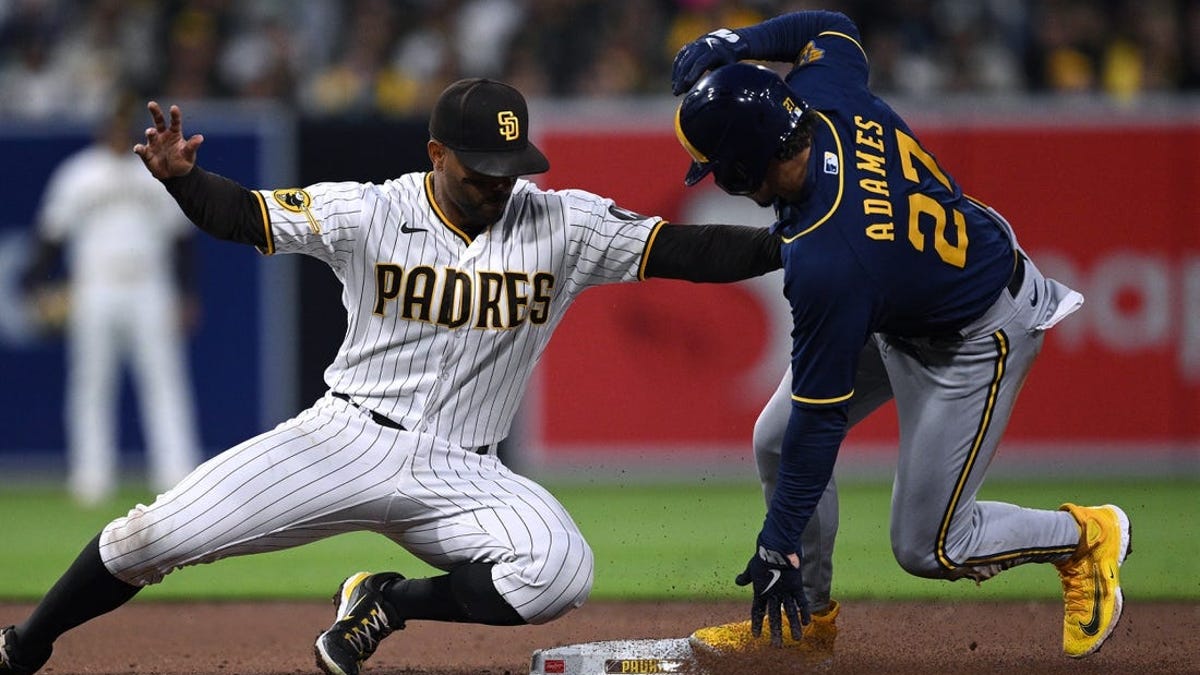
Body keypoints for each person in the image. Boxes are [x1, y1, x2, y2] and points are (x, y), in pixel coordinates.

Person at [0, 78, 783, 675]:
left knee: (557, 573)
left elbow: (688, 252)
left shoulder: (562, 220)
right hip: (343, 437)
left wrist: (794, 238)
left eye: (512, 168)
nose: (501, 183)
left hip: (466, 468)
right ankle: (27, 643)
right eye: (482, 169)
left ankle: (386, 600)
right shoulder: (372, 211)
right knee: (154, 534)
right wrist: (180, 180)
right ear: (437, 154)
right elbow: (245, 216)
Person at [670, 10, 1131, 660]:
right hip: (908, 293)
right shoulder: (822, 97)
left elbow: (820, 425)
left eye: (719, 167)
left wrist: (776, 541)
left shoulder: (828, 258)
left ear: (744, 168)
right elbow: (830, 27)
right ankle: (807, 628)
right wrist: (736, 43)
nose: (720, 179)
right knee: (772, 440)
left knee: (930, 544)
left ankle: (1084, 536)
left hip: (973, 330)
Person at [19, 94, 202, 507]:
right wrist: (32, 284)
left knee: (164, 379)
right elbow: (51, 235)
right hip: (96, 286)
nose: (118, 133)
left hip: (149, 284)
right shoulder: (79, 173)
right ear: (104, 129)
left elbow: (180, 239)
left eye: (125, 125)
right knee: (91, 383)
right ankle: (91, 475)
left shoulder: (153, 172)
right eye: (113, 125)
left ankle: (176, 472)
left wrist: (187, 292)